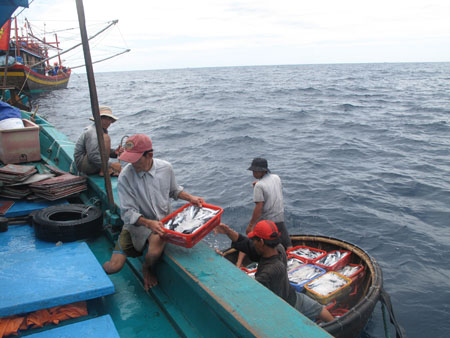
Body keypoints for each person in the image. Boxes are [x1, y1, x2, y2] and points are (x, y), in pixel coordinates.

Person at [102, 134, 204, 290]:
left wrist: (191, 198)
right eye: (128, 158)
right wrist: (148, 223)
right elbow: (128, 213)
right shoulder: (125, 177)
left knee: (157, 240)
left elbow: (174, 190)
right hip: (136, 225)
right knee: (113, 267)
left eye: (135, 158)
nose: (131, 163)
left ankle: (147, 268)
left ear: (149, 155)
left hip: (162, 222)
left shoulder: (166, 168)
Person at [214, 220, 334, 323]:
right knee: (319, 309)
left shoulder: (269, 271)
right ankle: (336, 326)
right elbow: (247, 244)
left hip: (281, 307)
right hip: (291, 295)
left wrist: (221, 264)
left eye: (254, 240)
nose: (253, 243)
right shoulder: (278, 248)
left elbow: (249, 294)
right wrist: (228, 232)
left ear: (261, 242)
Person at [236, 157, 292, 267]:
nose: (253, 173)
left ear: (261, 171)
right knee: (288, 245)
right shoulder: (276, 177)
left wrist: (251, 225)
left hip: (268, 221)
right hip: (280, 218)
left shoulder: (259, 186)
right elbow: (271, 188)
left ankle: (238, 264)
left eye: (255, 171)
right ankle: (292, 262)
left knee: (249, 237)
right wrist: (258, 185)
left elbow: (259, 207)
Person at [74, 106, 122, 176]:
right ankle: (104, 170)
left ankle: (105, 169)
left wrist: (114, 152)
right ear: (97, 119)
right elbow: (92, 156)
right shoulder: (92, 132)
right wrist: (111, 165)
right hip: (84, 166)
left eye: (109, 119)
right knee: (106, 138)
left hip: (90, 163)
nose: (107, 122)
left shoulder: (101, 130)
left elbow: (99, 150)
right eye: (104, 118)